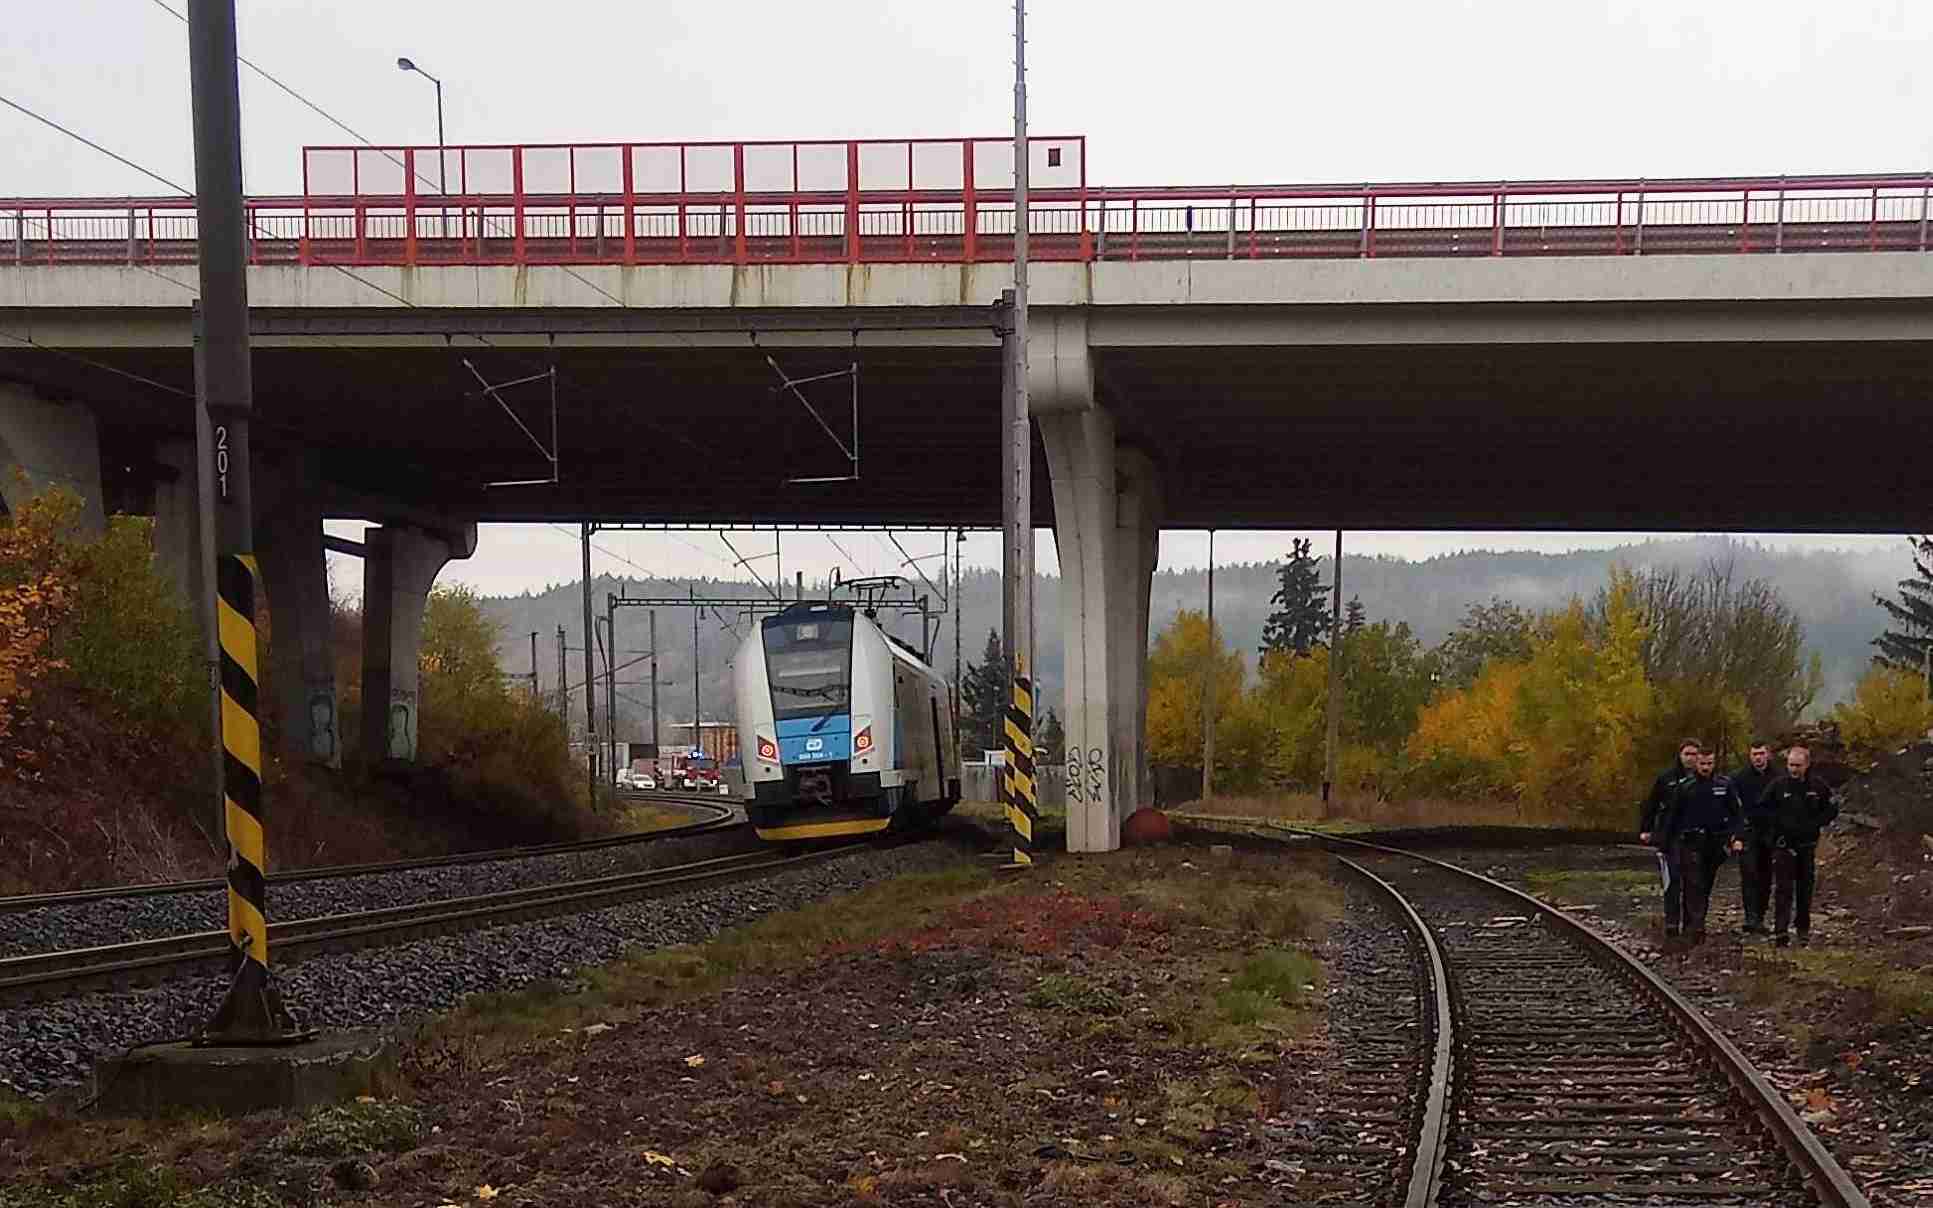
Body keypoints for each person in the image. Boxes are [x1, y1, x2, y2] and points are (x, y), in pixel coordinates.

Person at [1661, 748, 1745, 944]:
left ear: (1713, 763)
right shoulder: (1685, 787)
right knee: (1693, 884)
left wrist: (1737, 837)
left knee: (1705, 885)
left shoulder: (1724, 785)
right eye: (1702, 764)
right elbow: (1673, 817)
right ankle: (1696, 928)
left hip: (1716, 843)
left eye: (1709, 763)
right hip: (1690, 843)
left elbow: (1737, 814)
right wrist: (1666, 844)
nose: (1706, 767)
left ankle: (1693, 923)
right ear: (1696, 764)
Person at [1760, 744, 1839, 947]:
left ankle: (1803, 929)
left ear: (1807, 765)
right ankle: (1780, 931)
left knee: (1805, 889)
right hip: (1784, 845)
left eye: (1797, 765)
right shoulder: (1778, 785)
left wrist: (1815, 823)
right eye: (1790, 765)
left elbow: (1831, 809)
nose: (1793, 769)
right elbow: (1763, 809)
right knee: (1783, 889)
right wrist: (1776, 828)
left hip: (1807, 845)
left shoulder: (1817, 786)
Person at [1639, 738, 1703, 935]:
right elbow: (1652, 803)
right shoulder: (1667, 778)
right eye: (1687, 754)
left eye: (1694, 755)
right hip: (1670, 836)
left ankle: (1692, 924)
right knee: (1672, 881)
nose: (1691, 759)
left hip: (1696, 837)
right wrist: (1647, 829)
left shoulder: (1705, 779)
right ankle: (1672, 922)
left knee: (1694, 883)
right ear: (1680, 755)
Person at [1731, 740, 1779, 933]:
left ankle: (1760, 915)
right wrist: (1735, 835)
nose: (1758, 758)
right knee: (1749, 874)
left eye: (1761, 753)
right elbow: (1733, 808)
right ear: (1749, 756)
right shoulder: (1739, 778)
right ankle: (1751, 917)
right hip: (1748, 832)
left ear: (1767, 754)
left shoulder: (1778, 776)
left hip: (1770, 833)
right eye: (1754, 754)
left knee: (1766, 876)